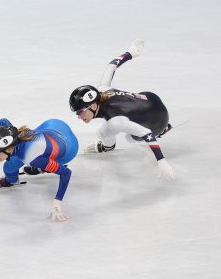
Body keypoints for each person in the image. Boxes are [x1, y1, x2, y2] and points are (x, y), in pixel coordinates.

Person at [69, 39, 175, 180]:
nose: (78, 117)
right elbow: (112, 65)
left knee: (126, 137)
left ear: (93, 106)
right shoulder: (102, 89)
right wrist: (131, 53)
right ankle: (157, 126)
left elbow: (146, 133)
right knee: (116, 124)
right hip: (150, 98)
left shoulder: (115, 121)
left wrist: (161, 161)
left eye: (80, 112)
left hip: (158, 121)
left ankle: (161, 130)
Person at [0, 118, 78, 222]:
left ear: (9, 148)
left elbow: (66, 173)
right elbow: (2, 121)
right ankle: (14, 179)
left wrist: (57, 202)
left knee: (40, 161)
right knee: (9, 167)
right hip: (54, 125)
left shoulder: (31, 156)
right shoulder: (12, 134)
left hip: (68, 150)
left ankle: (43, 168)